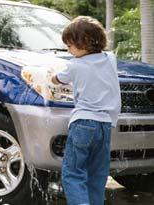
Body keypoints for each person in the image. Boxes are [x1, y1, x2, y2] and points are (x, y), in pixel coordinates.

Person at [50, 16, 121, 205]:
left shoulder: (75, 65)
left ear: (84, 43)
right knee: (97, 175)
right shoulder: (110, 59)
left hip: (83, 123)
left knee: (73, 173)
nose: (68, 50)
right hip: (105, 125)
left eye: (70, 46)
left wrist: (51, 76)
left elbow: (57, 79)